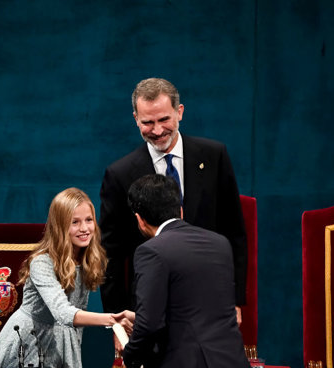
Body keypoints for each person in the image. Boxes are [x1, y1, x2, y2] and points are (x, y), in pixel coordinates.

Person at [121, 174, 258, 368]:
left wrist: (130, 357)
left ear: (140, 220)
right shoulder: (220, 244)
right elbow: (198, 308)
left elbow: (150, 325)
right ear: (180, 209)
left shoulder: (150, 251)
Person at [100, 77, 247, 325]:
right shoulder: (119, 175)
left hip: (210, 299)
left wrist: (233, 298)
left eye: (164, 120)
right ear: (136, 119)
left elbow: (234, 233)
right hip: (149, 307)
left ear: (179, 112)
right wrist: (117, 321)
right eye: (147, 122)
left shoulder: (214, 156)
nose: (157, 131)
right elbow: (110, 255)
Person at [0, 188, 131, 368]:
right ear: (60, 227)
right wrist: (112, 320)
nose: (84, 228)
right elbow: (63, 312)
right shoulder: (41, 262)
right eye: (75, 222)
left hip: (63, 341)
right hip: (29, 343)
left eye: (89, 220)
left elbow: (76, 316)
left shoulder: (88, 260)